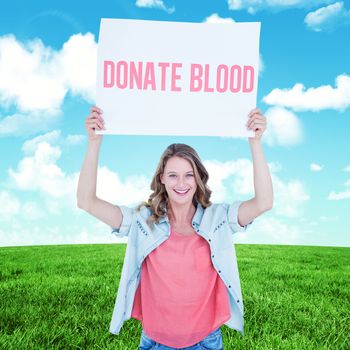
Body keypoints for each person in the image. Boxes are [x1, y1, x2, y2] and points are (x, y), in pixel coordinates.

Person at [77, 106, 273, 349]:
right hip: (154, 342)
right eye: (173, 175)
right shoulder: (143, 221)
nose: (181, 183)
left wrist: (255, 143)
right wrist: (94, 142)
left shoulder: (218, 218)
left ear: (198, 178)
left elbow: (264, 203)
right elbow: (86, 202)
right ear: (161, 178)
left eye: (189, 175)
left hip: (206, 342)